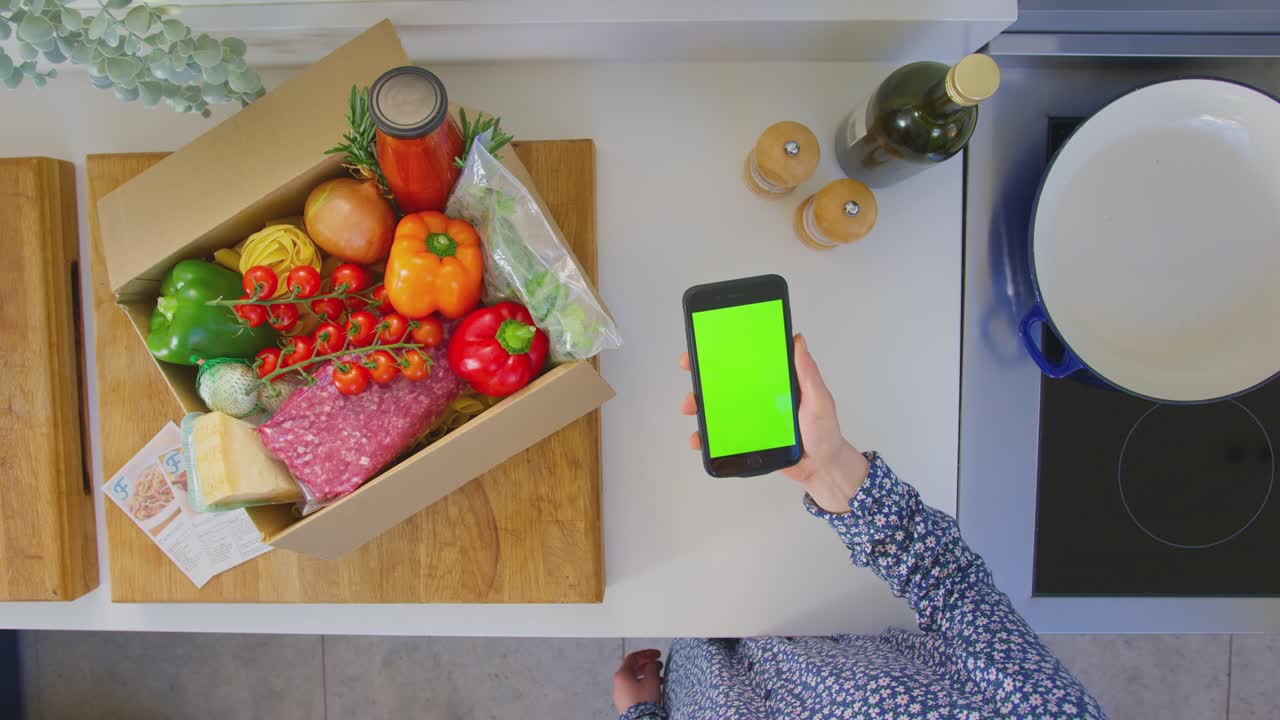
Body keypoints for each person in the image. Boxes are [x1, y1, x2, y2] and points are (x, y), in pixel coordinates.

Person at [612, 336, 1106, 720]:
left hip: (694, 660)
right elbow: (952, 586)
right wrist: (828, 468)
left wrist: (642, 713)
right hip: (791, 608)